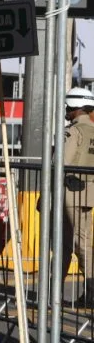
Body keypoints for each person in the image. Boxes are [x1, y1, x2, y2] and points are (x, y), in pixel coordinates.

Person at [62, 87, 94, 302]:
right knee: (76, 241)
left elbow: (61, 162)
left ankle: (92, 290)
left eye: (67, 107)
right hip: (88, 192)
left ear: (74, 107)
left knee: (74, 242)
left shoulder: (73, 131)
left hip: (69, 193)